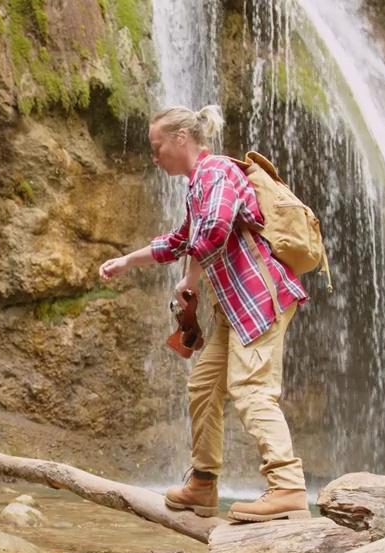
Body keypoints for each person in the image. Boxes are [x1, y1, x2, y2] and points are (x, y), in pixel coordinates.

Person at [98, 104, 310, 523]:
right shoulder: (198, 184)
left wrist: (190, 272)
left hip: (259, 300)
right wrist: (127, 261)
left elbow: (214, 228)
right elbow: (181, 238)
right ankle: (204, 484)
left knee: (250, 389)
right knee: (204, 386)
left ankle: (287, 486)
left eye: (158, 147)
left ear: (181, 138)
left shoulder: (216, 172)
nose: (154, 157)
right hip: (235, 310)